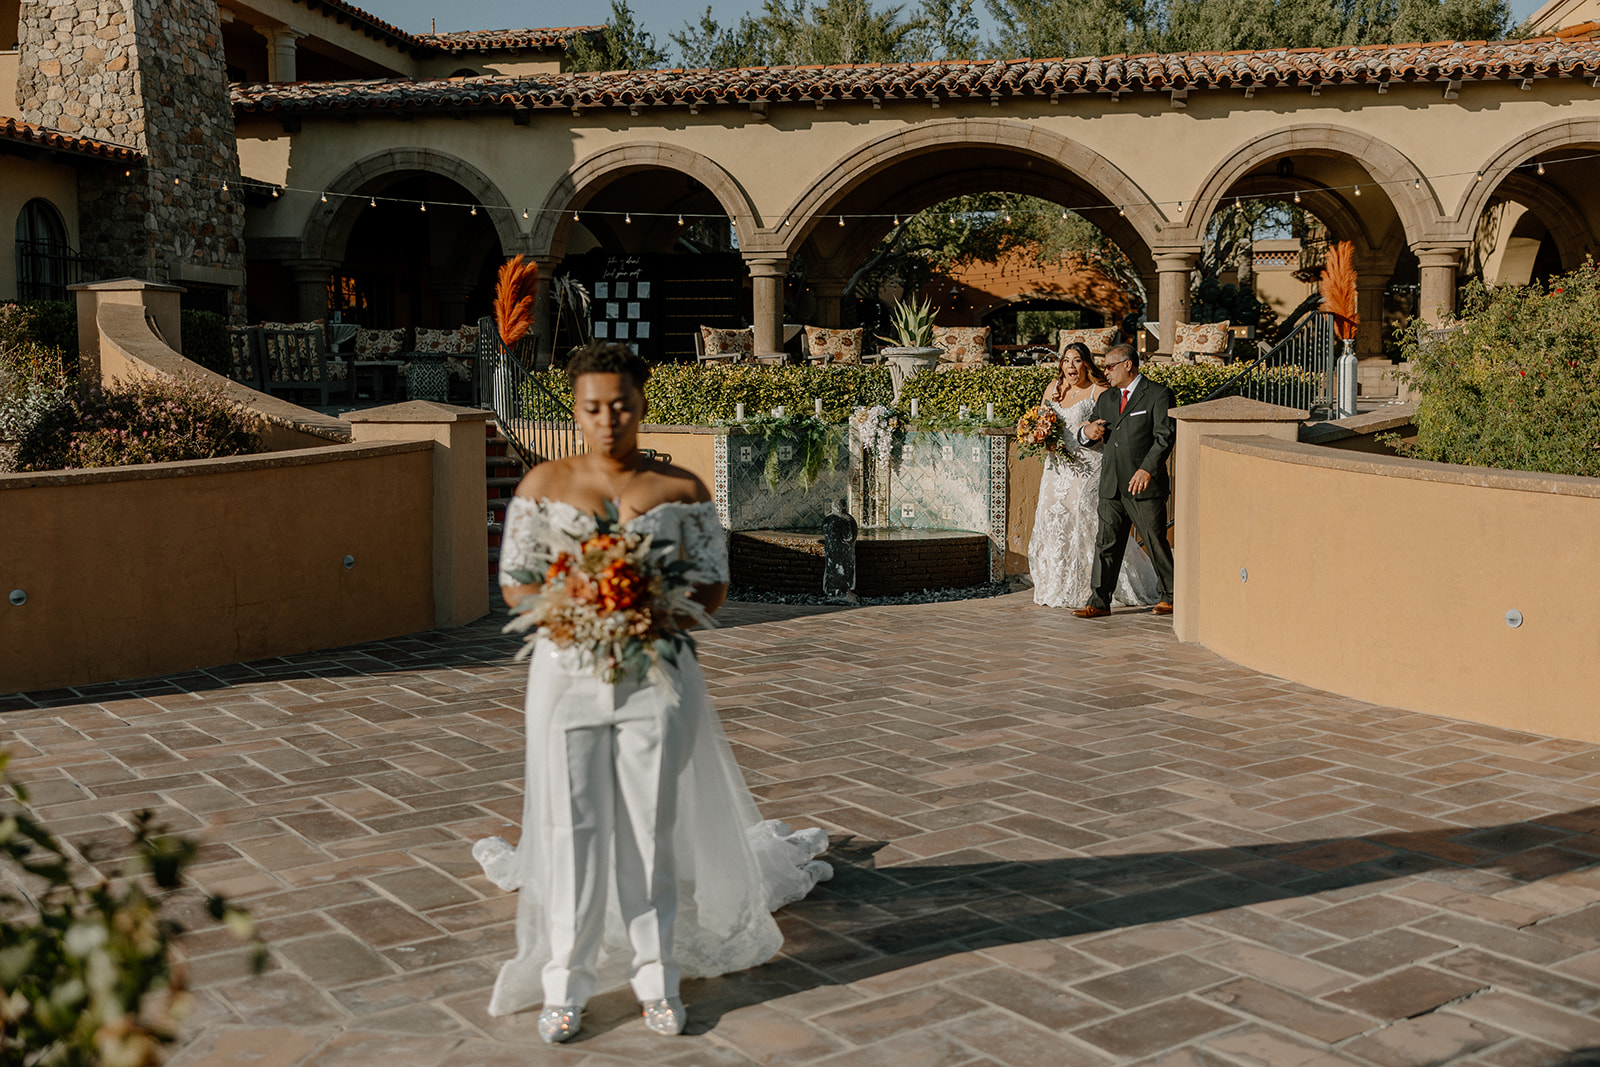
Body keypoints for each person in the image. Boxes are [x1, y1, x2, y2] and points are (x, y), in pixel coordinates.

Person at [475, 342, 832, 1043]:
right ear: (577, 409)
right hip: (567, 674)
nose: (608, 419)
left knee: (650, 828)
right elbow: (517, 580)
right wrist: (580, 602)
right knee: (573, 830)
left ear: (642, 404)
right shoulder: (542, 482)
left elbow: (714, 584)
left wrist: (649, 604)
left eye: (622, 405)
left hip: (657, 674)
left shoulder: (681, 491)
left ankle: (656, 973)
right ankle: (566, 981)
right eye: (592, 407)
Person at [1027, 343, 1162, 609]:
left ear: (1087, 364)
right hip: (1056, 467)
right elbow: (1041, 419)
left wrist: (1090, 433)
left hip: (1087, 467)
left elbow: (1111, 427)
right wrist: (1037, 434)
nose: (1070, 366)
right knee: (1053, 521)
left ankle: (1093, 588)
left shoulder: (1100, 391)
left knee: (1087, 525)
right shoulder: (1053, 389)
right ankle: (1058, 585)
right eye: (1066, 360)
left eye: (1077, 361)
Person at [1072, 343, 1177, 618]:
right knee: (1106, 543)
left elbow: (1164, 437)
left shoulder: (1158, 394)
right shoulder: (1107, 399)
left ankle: (1172, 595)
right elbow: (1090, 431)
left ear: (1127, 364)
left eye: (1110, 366)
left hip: (1143, 483)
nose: (1105, 372)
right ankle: (1098, 601)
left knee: (1155, 540)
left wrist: (1147, 470)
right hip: (1111, 484)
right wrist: (1088, 432)